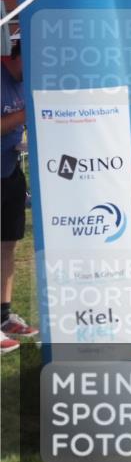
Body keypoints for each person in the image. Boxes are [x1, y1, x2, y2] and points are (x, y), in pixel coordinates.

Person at [0, 42, 36, 354]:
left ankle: (4, 315)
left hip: (9, 171)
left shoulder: (23, 83)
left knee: (8, 244)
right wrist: (26, 112)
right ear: (19, 55)